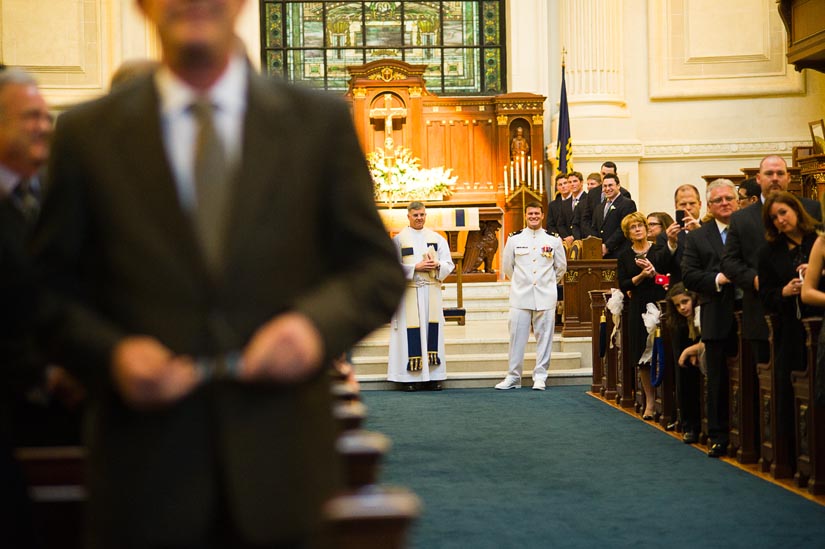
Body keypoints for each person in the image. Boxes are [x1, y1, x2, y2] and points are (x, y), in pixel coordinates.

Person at [30, 0, 406, 547]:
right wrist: (111, 354)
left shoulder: (316, 124)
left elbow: (375, 270)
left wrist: (311, 329)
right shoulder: (87, 135)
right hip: (142, 474)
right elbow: (44, 291)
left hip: (282, 475)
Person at [723, 155, 820, 365]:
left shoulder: (812, 208)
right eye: (769, 174)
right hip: (761, 313)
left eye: (780, 173)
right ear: (758, 178)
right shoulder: (741, 218)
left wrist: (815, 270)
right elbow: (729, 262)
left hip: (812, 316)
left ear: (788, 178)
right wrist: (756, 280)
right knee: (770, 388)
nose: (775, 178)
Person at [758, 191, 821, 470]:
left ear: (796, 210)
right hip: (790, 328)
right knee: (790, 388)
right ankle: (797, 455)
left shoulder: (816, 240)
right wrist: (784, 291)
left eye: (783, 212)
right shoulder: (769, 251)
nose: (780, 220)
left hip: (820, 320)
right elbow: (765, 295)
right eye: (774, 217)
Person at [681, 179, 740, 457]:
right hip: (716, 312)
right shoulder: (698, 237)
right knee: (716, 378)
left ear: (737, 201)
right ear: (710, 206)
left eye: (729, 198)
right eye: (718, 200)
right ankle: (718, 435)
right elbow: (689, 274)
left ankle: (750, 433)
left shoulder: (750, 230)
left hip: (751, 313)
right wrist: (717, 278)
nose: (725, 203)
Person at [495, 201, 566, 391]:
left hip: (545, 295)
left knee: (545, 338)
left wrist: (548, 282)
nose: (533, 217)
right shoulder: (514, 239)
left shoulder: (553, 240)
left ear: (542, 216)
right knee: (517, 337)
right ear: (525, 216)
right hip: (521, 295)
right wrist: (521, 282)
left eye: (537, 214)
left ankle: (540, 376)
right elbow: (508, 267)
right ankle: (513, 376)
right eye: (530, 214)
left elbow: (561, 268)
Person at [388, 202, 453, 392]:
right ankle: (409, 378)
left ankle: (434, 377)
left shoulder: (436, 238)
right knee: (410, 335)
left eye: (422, 215)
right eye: (416, 215)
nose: (419, 218)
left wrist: (438, 264)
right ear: (408, 216)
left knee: (431, 332)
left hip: (430, 291)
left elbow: (449, 264)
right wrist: (414, 267)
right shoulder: (399, 240)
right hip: (409, 291)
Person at [616, 212, 670, 419]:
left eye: (640, 225)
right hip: (638, 305)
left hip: (659, 303)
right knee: (642, 356)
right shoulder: (624, 256)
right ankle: (649, 401)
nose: (637, 229)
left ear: (647, 228)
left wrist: (654, 274)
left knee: (662, 351)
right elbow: (624, 284)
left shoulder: (660, 251)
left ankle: (665, 399)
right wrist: (641, 276)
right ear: (628, 233)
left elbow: (667, 281)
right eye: (633, 227)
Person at [664, 283, 703, 443]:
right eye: (678, 305)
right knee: (683, 379)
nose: (682, 307)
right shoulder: (678, 322)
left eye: (685, 302)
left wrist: (690, 351)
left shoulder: (702, 312)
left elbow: (707, 339)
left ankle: (697, 424)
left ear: (693, 298)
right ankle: (689, 425)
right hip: (689, 358)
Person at [657, 183, 703, 286]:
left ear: (700, 204)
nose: (688, 208)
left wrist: (700, 234)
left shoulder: (711, 230)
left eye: (692, 203)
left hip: (706, 289)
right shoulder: (665, 236)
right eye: (683, 204)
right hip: (679, 291)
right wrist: (671, 244)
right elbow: (661, 268)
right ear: (675, 206)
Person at [592, 173, 637, 258]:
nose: (607, 189)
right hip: (602, 254)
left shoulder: (627, 204)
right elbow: (595, 228)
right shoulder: (599, 207)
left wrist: (607, 246)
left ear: (618, 186)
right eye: (605, 186)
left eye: (610, 185)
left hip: (620, 252)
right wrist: (598, 246)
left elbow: (624, 228)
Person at [572, 172, 601, 239]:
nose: (589, 186)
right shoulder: (581, 204)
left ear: (600, 185)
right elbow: (576, 224)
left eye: (592, 184)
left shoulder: (604, 202)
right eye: (588, 184)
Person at [546, 173, 570, 237]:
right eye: (560, 184)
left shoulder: (578, 201)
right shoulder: (552, 205)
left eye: (565, 183)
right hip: (558, 239)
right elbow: (550, 225)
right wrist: (559, 238)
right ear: (557, 187)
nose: (563, 186)